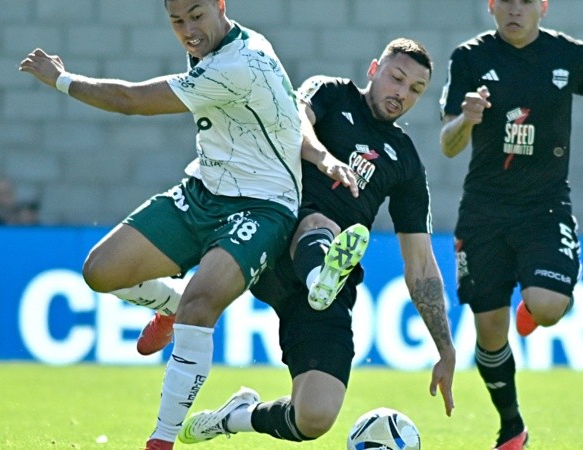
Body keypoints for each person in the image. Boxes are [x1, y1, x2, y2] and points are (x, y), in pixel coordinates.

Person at [18, 1, 314, 449]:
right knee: (101, 271)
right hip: (204, 191)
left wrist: (61, 79)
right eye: (177, 21)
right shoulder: (219, 48)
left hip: (263, 206)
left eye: (197, 16)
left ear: (220, 5)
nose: (188, 30)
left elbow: (131, 101)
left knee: (200, 306)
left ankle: (163, 438)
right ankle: (167, 308)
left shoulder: (238, 62)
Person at [175, 37, 456, 446]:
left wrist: (445, 348)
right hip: (274, 233)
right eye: (396, 78)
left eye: (415, 89)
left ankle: (235, 417)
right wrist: (324, 157)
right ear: (374, 69)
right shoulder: (331, 92)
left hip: (328, 289)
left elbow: (421, 265)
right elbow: (296, 119)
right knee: (320, 224)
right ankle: (313, 274)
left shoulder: (406, 161)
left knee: (315, 417)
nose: (402, 93)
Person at [438, 1, 583, 449]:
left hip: (543, 207)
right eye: (504, 1)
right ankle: (512, 427)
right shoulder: (469, 58)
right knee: (489, 331)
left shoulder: (572, 56)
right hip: (484, 211)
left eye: (525, 1)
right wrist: (466, 120)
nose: (514, 9)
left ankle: (533, 305)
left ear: (542, 7)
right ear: (491, 6)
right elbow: (448, 144)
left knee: (547, 307)